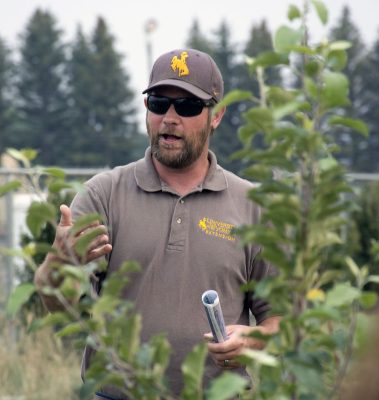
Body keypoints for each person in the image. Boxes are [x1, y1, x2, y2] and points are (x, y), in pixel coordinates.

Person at [34, 48, 280, 399]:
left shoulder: (253, 207)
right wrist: (56, 271)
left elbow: (284, 321)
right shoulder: (103, 194)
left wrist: (255, 339)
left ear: (217, 115)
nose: (170, 117)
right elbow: (62, 307)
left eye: (189, 106)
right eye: (159, 103)